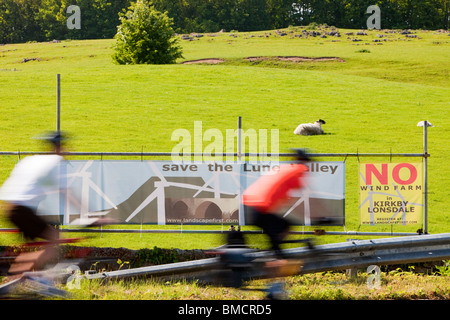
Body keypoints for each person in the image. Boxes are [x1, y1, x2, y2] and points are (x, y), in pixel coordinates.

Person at [0, 132, 65, 275]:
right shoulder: (56, 161)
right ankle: (22, 278)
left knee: (31, 245)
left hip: (9, 207)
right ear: (59, 148)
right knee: (54, 238)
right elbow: (67, 193)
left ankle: (17, 278)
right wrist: (93, 217)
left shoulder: (30, 159)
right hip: (23, 209)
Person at [242, 149, 311, 259]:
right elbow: (304, 193)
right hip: (259, 209)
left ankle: (274, 256)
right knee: (284, 227)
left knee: (277, 233)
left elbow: (283, 197)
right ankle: (274, 261)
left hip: (250, 204)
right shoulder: (298, 170)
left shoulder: (285, 168)